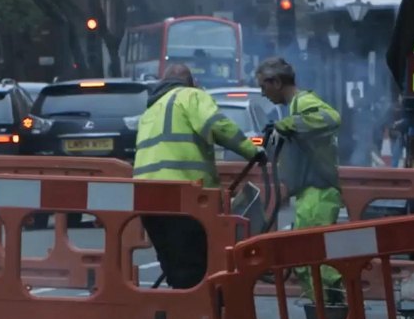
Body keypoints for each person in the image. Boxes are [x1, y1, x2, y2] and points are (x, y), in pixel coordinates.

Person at [134, 63, 266, 289]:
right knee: (193, 263)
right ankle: (198, 316)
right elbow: (218, 126)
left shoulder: (150, 109)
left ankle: (175, 313)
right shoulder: (191, 96)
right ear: (191, 82)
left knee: (172, 261)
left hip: (145, 197)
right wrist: (253, 151)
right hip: (183, 194)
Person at [254, 57, 344, 304]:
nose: (263, 93)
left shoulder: (303, 102)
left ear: (276, 81)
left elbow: (332, 118)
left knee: (311, 261)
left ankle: (332, 315)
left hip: (319, 191)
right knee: (310, 261)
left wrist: (288, 124)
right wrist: (252, 142)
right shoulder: (291, 109)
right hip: (310, 194)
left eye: (264, 86)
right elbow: (279, 141)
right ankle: (329, 314)